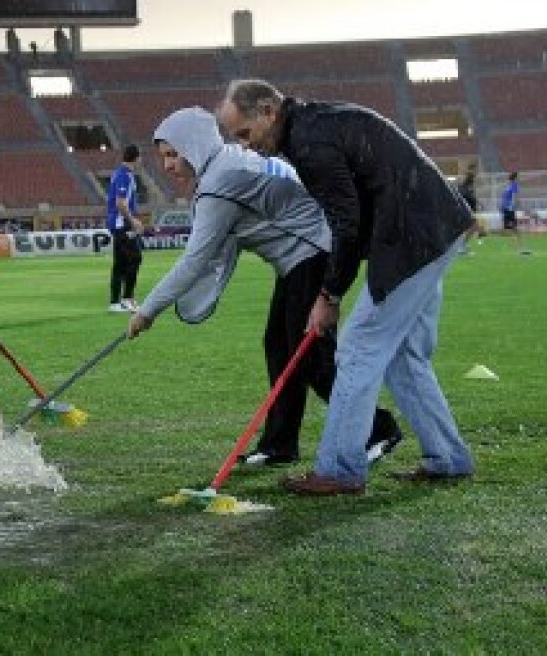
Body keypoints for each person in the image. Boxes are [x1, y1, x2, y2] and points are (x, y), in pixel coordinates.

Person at [217, 79, 475, 495]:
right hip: (436, 228)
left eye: (244, 134)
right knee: (404, 357)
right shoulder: (312, 125)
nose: (245, 146)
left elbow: (346, 224)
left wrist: (329, 296)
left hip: (412, 237)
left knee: (358, 347)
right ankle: (448, 458)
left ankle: (339, 468)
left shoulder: (308, 143)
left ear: (268, 111)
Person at [126, 107, 401, 467]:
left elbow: (194, 261)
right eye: (163, 157)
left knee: (312, 356)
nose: (168, 166)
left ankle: (378, 428)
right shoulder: (224, 165)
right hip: (298, 259)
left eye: (174, 154)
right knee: (279, 348)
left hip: (313, 253)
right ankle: (279, 445)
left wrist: (148, 311)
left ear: (195, 147)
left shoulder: (218, 185)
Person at [106, 144, 145, 313]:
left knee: (120, 262)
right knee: (135, 258)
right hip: (122, 224)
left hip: (116, 223)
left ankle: (115, 303)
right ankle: (127, 298)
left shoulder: (117, 174)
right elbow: (120, 202)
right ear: (136, 158)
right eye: (140, 157)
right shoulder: (126, 176)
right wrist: (133, 221)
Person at [501, 171, 532, 255]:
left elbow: (505, 198)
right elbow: (515, 198)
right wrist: (522, 208)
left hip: (505, 209)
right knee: (514, 229)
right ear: (515, 178)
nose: (519, 179)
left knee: (511, 230)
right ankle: (521, 249)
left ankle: (519, 249)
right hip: (509, 209)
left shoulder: (508, 186)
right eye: (518, 177)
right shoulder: (514, 185)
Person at [457, 166, 483, 253]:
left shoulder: (466, 187)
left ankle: (462, 245)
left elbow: (472, 198)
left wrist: (477, 203)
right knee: (474, 227)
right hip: (465, 211)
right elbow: (468, 198)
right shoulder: (464, 188)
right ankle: (461, 246)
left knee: (470, 228)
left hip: (467, 211)